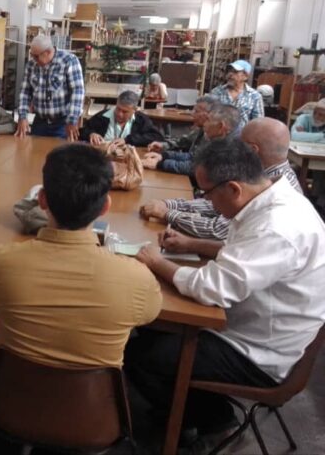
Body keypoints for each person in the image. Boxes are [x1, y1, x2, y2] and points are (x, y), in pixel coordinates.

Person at [129, 138, 325, 439]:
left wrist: (156, 262)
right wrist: (191, 244)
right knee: (152, 328)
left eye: (208, 194)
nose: (208, 202)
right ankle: (187, 408)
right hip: (253, 322)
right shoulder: (270, 198)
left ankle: (206, 421)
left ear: (233, 188)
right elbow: (242, 252)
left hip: (257, 351)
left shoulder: (277, 226)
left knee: (140, 355)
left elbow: (212, 289)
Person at [0, 143, 162, 369]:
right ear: (106, 206)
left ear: (42, 200)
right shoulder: (138, 280)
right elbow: (150, 313)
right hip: (95, 403)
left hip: (7, 397)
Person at [140, 117, 304, 240]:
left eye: (240, 144)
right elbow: (216, 205)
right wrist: (171, 204)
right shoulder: (263, 174)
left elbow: (218, 230)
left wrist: (168, 213)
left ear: (253, 150)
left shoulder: (277, 188)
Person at [15, 35, 85, 140]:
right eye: (32, 55)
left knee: (60, 154)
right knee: (35, 153)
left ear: (47, 52)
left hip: (62, 123)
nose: (33, 59)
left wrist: (72, 119)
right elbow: (25, 92)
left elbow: (77, 91)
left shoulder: (69, 61)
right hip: (40, 122)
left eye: (36, 56)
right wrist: (22, 116)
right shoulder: (31, 65)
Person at [141, 99, 232, 173]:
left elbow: (196, 168)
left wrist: (160, 163)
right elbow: (192, 155)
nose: (192, 114)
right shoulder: (206, 132)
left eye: (196, 111)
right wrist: (163, 155)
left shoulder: (225, 146)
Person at [80, 90, 164, 147]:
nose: (120, 114)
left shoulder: (141, 120)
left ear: (134, 110)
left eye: (125, 112)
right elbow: (83, 130)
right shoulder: (102, 116)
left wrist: (127, 140)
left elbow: (157, 137)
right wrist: (91, 134)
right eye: (118, 109)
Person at [209, 60, 263, 125]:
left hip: (242, 134)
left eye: (235, 72)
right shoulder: (217, 92)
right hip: (220, 133)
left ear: (245, 76)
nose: (230, 74)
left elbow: (258, 122)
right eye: (229, 71)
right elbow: (209, 115)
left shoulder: (254, 96)